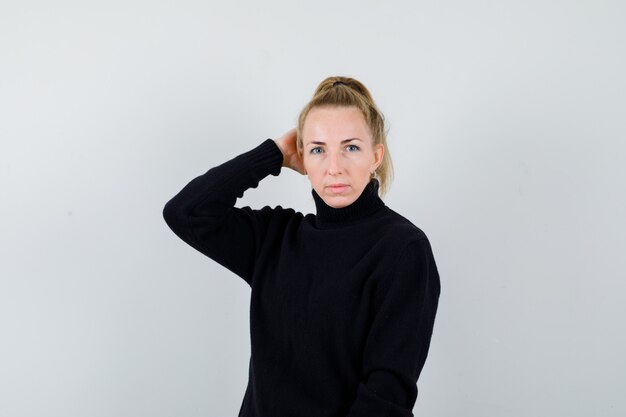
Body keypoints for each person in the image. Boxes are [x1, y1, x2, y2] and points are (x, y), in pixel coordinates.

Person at [162, 76, 441, 417]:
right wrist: (273, 155)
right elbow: (186, 212)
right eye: (318, 150)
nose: (334, 167)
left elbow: (387, 393)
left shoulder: (402, 248)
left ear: (375, 156)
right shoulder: (276, 238)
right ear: (302, 158)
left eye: (351, 147)